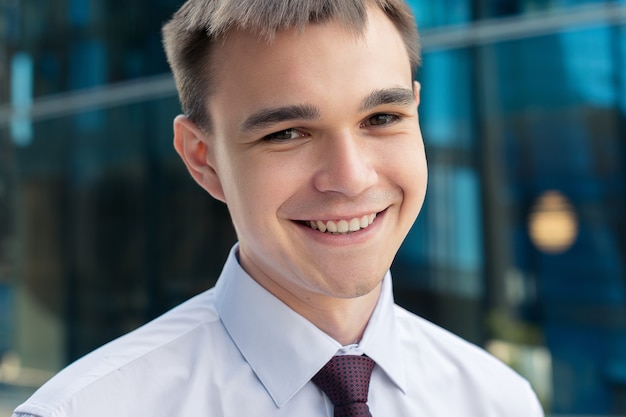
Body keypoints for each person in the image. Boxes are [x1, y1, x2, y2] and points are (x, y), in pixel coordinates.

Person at [13, 0, 545, 416]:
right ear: (204, 160)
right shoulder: (85, 411)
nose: (351, 177)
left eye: (382, 118)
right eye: (287, 133)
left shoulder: (499, 402)